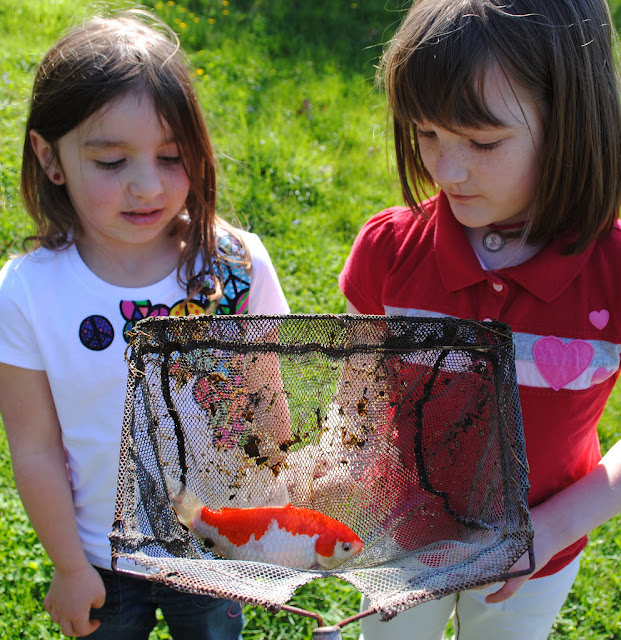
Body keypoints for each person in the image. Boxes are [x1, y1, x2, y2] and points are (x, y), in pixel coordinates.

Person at [0, 10, 289, 639]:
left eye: (171, 156)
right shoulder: (27, 292)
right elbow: (34, 446)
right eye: (111, 161)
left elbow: (269, 407)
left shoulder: (235, 269)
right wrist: (68, 566)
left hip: (213, 547)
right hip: (100, 557)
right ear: (50, 158)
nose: (147, 186)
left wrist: (267, 520)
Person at [339, 1, 621, 638]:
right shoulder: (390, 252)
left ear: (571, 120)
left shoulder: (614, 271)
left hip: (535, 558)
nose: (447, 170)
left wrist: (551, 529)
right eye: (427, 133)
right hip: (399, 541)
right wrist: (344, 455)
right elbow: (360, 388)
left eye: (483, 141)